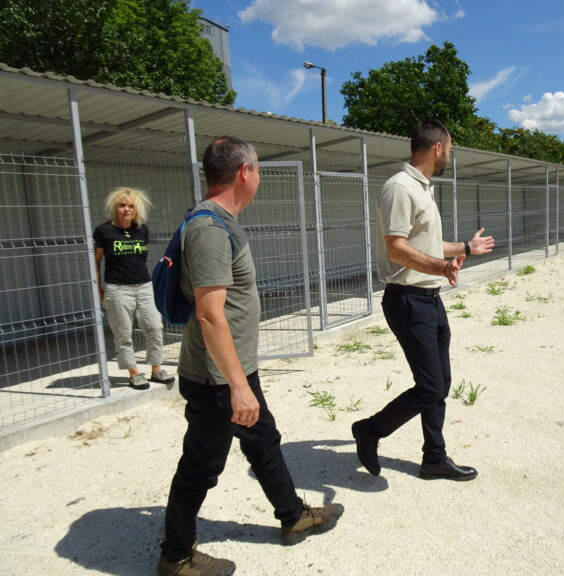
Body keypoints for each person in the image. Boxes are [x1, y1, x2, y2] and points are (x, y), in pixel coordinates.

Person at [158, 136, 343, 576]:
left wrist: (244, 377)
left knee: (263, 440)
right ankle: (176, 556)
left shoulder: (222, 221)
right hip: (217, 379)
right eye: (258, 169)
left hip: (235, 369)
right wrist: (238, 386)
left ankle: (293, 516)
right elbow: (208, 315)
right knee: (201, 466)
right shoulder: (208, 229)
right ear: (244, 172)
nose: (258, 177)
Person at [352, 120, 495, 482]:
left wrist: (465, 248)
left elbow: (426, 246)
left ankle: (434, 457)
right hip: (407, 300)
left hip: (429, 298)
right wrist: (441, 266)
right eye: (449, 147)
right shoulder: (400, 188)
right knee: (430, 386)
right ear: (437, 147)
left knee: (440, 383)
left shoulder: (422, 188)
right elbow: (396, 248)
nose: (449, 154)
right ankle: (370, 430)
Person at [94, 187, 175, 390]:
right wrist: (99, 289)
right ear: (115, 207)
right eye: (122, 205)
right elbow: (95, 262)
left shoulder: (141, 230)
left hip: (144, 286)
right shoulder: (104, 231)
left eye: (130, 206)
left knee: (155, 327)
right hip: (118, 289)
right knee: (123, 333)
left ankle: (156, 369)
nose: (126, 210)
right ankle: (134, 373)